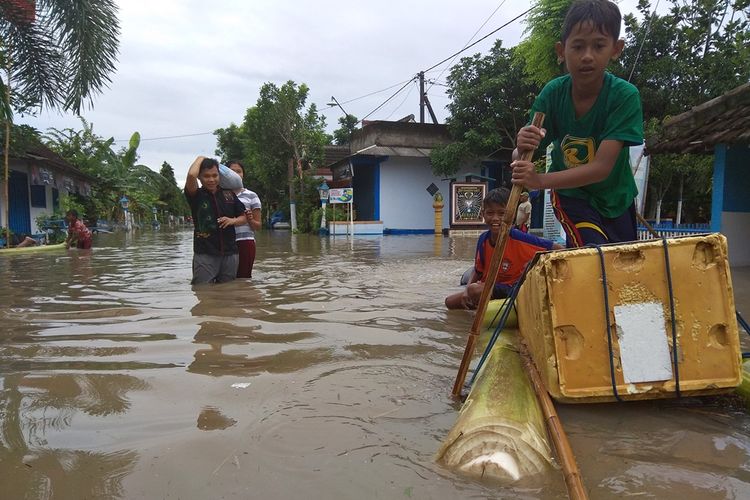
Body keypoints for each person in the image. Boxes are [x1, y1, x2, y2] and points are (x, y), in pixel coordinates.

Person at [511, 0, 643, 248]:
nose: (587, 56)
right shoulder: (552, 95)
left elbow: (601, 168)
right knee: (593, 256)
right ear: (562, 51)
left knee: (624, 268)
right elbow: (522, 157)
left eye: (599, 46)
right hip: (572, 196)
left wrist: (540, 181)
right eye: (578, 46)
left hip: (617, 198)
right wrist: (521, 146)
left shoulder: (624, 96)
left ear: (616, 49)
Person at [445, 188, 562, 310]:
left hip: (511, 288)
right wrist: (465, 292)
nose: (495, 218)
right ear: (483, 214)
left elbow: (558, 249)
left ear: (512, 215)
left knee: (474, 290)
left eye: (502, 214)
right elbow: (478, 270)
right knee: (450, 302)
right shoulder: (483, 239)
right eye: (490, 213)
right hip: (488, 286)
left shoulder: (520, 237)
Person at [184, 156, 249, 284]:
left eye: (215, 175)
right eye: (206, 176)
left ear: (220, 176)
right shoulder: (195, 195)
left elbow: (244, 217)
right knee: (203, 291)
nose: (211, 180)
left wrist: (232, 221)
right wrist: (200, 158)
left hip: (230, 252)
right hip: (205, 253)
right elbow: (191, 174)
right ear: (200, 178)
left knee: (228, 292)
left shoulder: (229, 194)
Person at [227, 160, 262, 279]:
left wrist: (250, 220)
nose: (236, 174)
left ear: (243, 174)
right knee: (225, 280)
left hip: (245, 241)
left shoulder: (252, 195)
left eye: (239, 171)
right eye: (232, 171)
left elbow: (258, 226)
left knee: (243, 280)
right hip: (224, 242)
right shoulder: (220, 195)